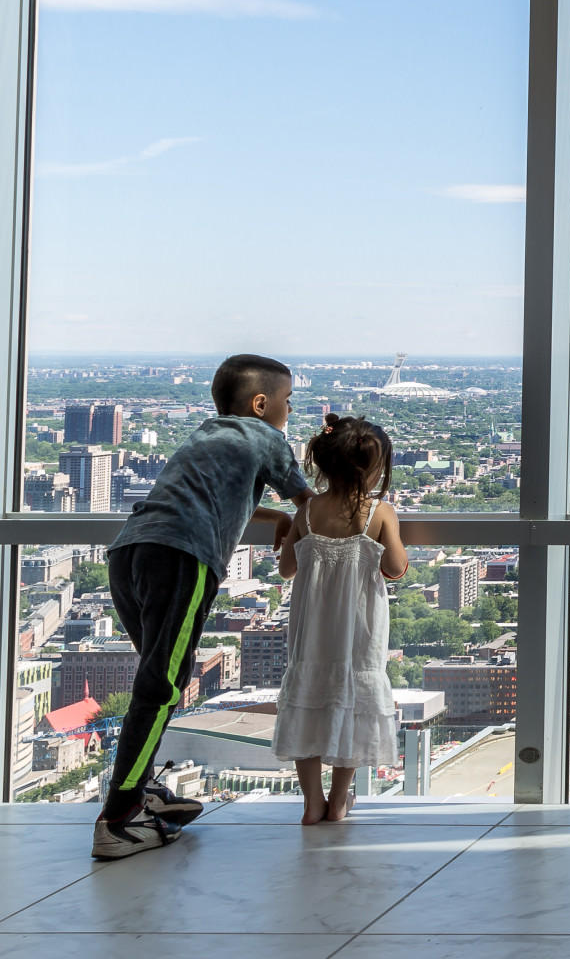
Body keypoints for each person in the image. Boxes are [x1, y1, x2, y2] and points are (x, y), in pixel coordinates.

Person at [94, 354, 310, 860]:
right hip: (182, 556)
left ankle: (141, 789)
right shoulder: (268, 438)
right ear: (261, 403)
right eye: (286, 400)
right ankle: (120, 818)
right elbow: (313, 501)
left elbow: (218, 494)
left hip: (130, 552)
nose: (289, 409)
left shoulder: (208, 435)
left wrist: (270, 513)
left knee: (156, 676)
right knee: (162, 686)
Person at [272, 414, 409, 824]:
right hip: (359, 632)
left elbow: (286, 570)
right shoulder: (378, 514)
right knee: (353, 704)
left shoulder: (308, 512)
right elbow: (397, 566)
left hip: (311, 631)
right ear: (374, 469)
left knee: (309, 704)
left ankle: (311, 803)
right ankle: (339, 799)